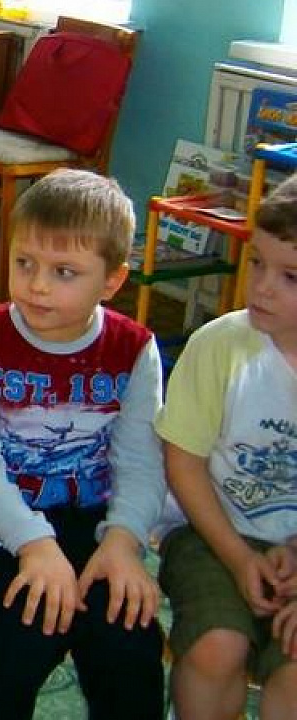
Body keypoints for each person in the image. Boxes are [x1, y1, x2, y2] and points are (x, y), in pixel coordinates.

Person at [0, 168, 167, 719]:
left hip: (94, 519)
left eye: (64, 271)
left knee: (126, 634)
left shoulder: (135, 349)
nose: (37, 285)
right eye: (25, 263)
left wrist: (123, 541)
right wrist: (35, 544)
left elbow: (141, 462)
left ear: (112, 281)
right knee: (26, 625)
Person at [157, 172, 297, 719]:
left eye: (290, 276)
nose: (261, 287)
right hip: (210, 533)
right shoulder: (219, 347)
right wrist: (240, 559)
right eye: (256, 262)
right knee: (217, 646)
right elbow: (183, 465)